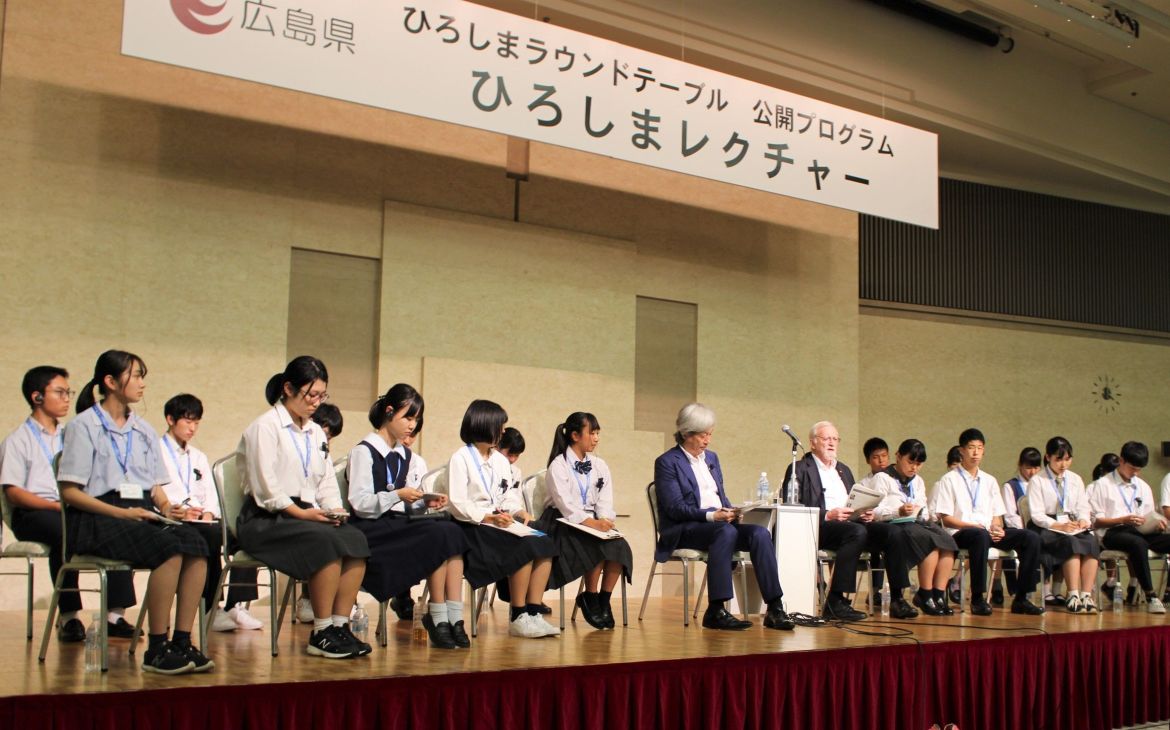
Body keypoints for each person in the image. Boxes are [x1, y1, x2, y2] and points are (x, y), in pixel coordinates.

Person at [56, 350, 213, 673]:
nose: (142, 383)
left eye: (143, 375)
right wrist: (123, 514)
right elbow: (70, 492)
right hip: (96, 517)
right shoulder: (83, 426)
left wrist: (169, 508)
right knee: (169, 548)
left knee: (197, 543)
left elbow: (154, 487)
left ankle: (182, 642)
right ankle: (156, 648)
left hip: (141, 511)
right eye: (136, 375)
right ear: (110, 382)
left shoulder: (142, 429)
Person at [237, 356, 371, 659]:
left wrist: (335, 511)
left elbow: (324, 480)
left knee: (355, 539)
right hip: (266, 517)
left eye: (322, 395)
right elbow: (266, 488)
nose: (316, 402)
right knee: (324, 541)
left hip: (306, 514)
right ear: (288, 388)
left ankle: (339, 626)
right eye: (311, 394)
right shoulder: (265, 427)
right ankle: (321, 631)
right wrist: (302, 514)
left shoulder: (313, 432)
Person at [0, 366, 136, 642]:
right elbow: (14, 493)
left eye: (68, 392)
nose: (66, 398)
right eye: (60, 392)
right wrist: (57, 508)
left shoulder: (73, 436)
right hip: (33, 513)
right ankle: (69, 617)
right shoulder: (17, 441)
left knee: (119, 525)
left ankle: (115, 615)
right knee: (65, 529)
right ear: (37, 397)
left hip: (71, 508)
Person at [347, 384, 470, 648]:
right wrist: (398, 496)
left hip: (395, 523)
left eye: (415, 419)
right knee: (439, 535)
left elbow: (402, 502)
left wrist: (424, 501)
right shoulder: (363, 451)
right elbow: (360, 504)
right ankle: (437, 616)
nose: (412, 426)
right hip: (370, 528)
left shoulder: (403, 454)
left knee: (451, 530)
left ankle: (454, 617)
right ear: (389, 412)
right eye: (408, 418)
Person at [654, 403, 794, 631]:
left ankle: (775, 607)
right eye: (703, 435)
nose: (708, 440)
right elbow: (674, 508)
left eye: (710, 434)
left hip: (718, 527)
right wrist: (712, 516)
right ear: (686, 433)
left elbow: (719, 497)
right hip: (686, 529)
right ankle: (716, 609)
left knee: (759, 533)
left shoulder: (712, 458)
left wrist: (732, 511)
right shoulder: (667, 462)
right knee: (724, 531)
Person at [445, 399, 560, 639]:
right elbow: (457, 503)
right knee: (523, 546)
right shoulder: (461, 458)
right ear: (484, 424)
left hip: (499, 522)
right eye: (500, 426)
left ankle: (533, 611)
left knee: (544, 542)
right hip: (472, 526)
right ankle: (517, 615)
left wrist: (516, 512)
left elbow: (506, 495)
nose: (503, 432)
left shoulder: (498, 459)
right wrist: (488, 517)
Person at [158, 394, 263, 632]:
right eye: (187, 421)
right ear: (170, 419)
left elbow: (211, 496)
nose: (192, 428)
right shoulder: (157, 451)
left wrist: (208, 512)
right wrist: (181, 511)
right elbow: (156, 492)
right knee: (211, 537)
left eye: (196, 422)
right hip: (173, 518)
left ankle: (236, 605)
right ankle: (211, 609)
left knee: (246, 534)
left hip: (202, 519)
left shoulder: (198, 456)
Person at [930, 428, 1043, 615]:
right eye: (971, 448)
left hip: (985, 531)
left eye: (979, 448)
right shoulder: (949, 480)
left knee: (1030, 537)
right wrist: (972, 526)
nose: (975, 453)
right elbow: (946, 518)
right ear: (961, 451)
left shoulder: (989, 480)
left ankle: (1022, 597)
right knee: (979, 535)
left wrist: (998, 528)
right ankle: (977, 598)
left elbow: (997, 514)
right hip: (961, 533)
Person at [536, 412, 633, 630]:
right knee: (595, 544)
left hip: (593, 520)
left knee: (619, 546)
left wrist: (605, 520)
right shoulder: (558, 465)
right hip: (562, 522)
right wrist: (593, 524)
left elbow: (605, 499)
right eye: (592, 433)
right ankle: (590, 595)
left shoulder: (600, 465)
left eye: (598, 433)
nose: (596, 438)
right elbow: (566, 506)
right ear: (575, 435)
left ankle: (603, 600)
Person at [782, 421, 868, 621]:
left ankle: (896, 597)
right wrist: (828, 514)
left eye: (835, 439)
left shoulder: (843, 469)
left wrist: (863, 511)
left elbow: (853, 499)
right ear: (813, 443)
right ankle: (836, 601)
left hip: (849, 524)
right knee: (857, 532)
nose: (832, 443)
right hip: (818, 526)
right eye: (826, 438)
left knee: (885, 531)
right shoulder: (800, 468)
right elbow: (793, 507)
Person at [869, 439, 958, 617]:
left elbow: (923, 505)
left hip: (916, 522)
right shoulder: (882, 477)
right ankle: (925, 594)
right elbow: (874, 510)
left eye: (918, 464)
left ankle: (938, 594)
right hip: (893, 524)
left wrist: (925, 513)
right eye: (910, 462)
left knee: (948, 542)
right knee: (929, 542)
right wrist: (898, 511)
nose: (914, 468)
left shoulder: (917, 481)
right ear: (898, 456)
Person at [1089, 441, 1168, 613]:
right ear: (1121, 461)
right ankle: (1151, 595)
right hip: (1112, 532)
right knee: (1137, 544)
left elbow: (1148, 515)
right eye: (1132, 468)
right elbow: (1096, 522)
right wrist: (1123, 520)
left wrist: (1157, 524)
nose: (1135, 473)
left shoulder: (1143, 486)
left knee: (1154, 539)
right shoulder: (1102, 485)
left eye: (1139, 469)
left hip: (1140, 530)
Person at [1025, 436, 1100, 613]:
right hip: (1046, 526)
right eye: (1058, 459)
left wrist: (1083, 520)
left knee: (1091, 541)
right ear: (1048, 457)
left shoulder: (1075, 479)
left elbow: (1083, 506)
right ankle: (1072, 594)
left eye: (1067, 459)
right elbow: (1036, 514)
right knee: (1070, 543)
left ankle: (1086, 594)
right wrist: (1059, 527)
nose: (1063, 464)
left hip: (1070, 522)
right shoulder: (1038, 480)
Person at [387, 419, 428, 622]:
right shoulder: (380, 455)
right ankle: (401, 594)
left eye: (413, 435)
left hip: (410, 514)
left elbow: (419, 499)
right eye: (407, 433)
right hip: (385, 513)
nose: (408, 439)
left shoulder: (418, 462)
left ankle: (438, 606)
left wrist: (429, 502)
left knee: (439, 530)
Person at [991, 447, 1042, 605]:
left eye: (1036, 468)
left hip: (1038, 529)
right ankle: (1018, 591)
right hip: (1018, 529)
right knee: (1028, 540)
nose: (1032, 472)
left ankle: (1050, 591)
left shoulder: (1042, 485)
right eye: (1028, 468)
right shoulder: (1010, 486)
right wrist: (1027, 528)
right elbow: (1010, 516)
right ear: (1020, 465)